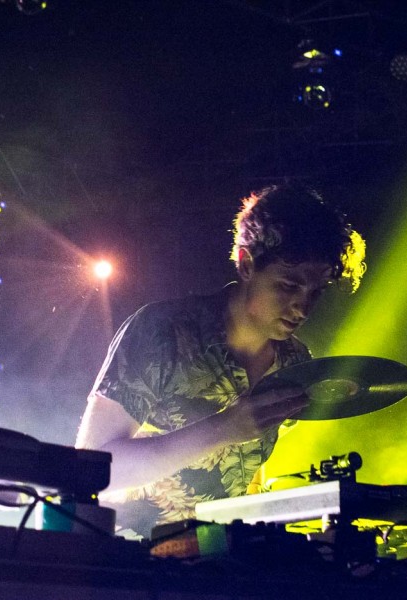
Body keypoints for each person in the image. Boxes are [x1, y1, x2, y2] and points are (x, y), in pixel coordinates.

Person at [75, 183, 366, 538]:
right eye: (289, 286)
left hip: (218, 557)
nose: (303, 307)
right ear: (246, 264)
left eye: (315, 292)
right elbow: (90, 469)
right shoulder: (162, 332)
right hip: (129, 553)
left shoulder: (295, 361)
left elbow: (248, 476)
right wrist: (223, 429)